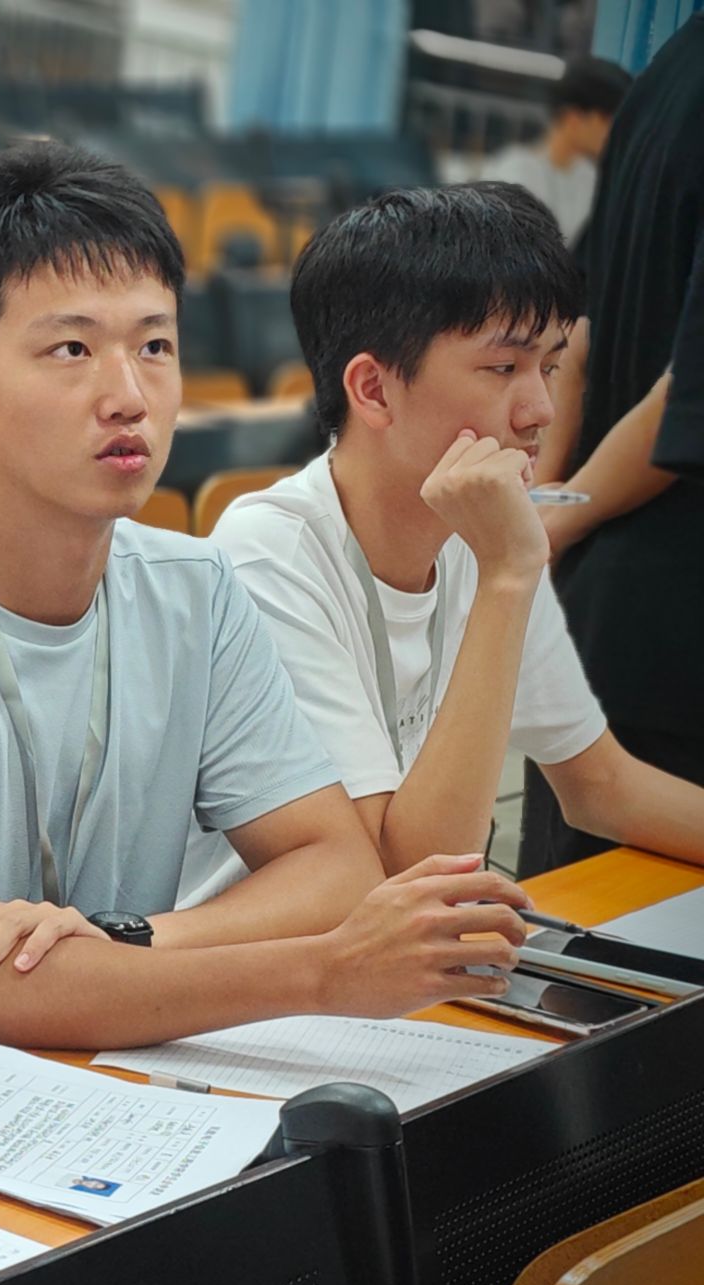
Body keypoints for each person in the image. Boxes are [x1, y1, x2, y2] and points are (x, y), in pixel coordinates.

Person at [0, 141, 532, 1068]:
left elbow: (335, 866)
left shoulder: (196, 593)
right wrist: (322, 975)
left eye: (154, 346)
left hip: (53, 1085)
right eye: (71, 349)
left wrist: (123, 939)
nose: (128, 396)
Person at [180, 183, 704, 903]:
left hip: (416, 953)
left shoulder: (481, 535)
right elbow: (409, 873)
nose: (541, 410)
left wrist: (503, 568)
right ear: (373, 390)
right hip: (278, 962)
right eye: (503, 368)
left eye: (550, 367)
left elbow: (600, 785)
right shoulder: (269, 552)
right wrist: (507, 578)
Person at [521, 14, 704, 875]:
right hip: (673, 643)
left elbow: (580, 341)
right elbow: (685, 398)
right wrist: (554, 521)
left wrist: (552, 508)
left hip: (603, 610)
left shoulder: (668, 68)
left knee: (567, 929)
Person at [455, 55, 631, 245]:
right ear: (573, 118)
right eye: (606, 121)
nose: (613, 132)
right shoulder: (515, 174)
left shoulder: (590, 178)